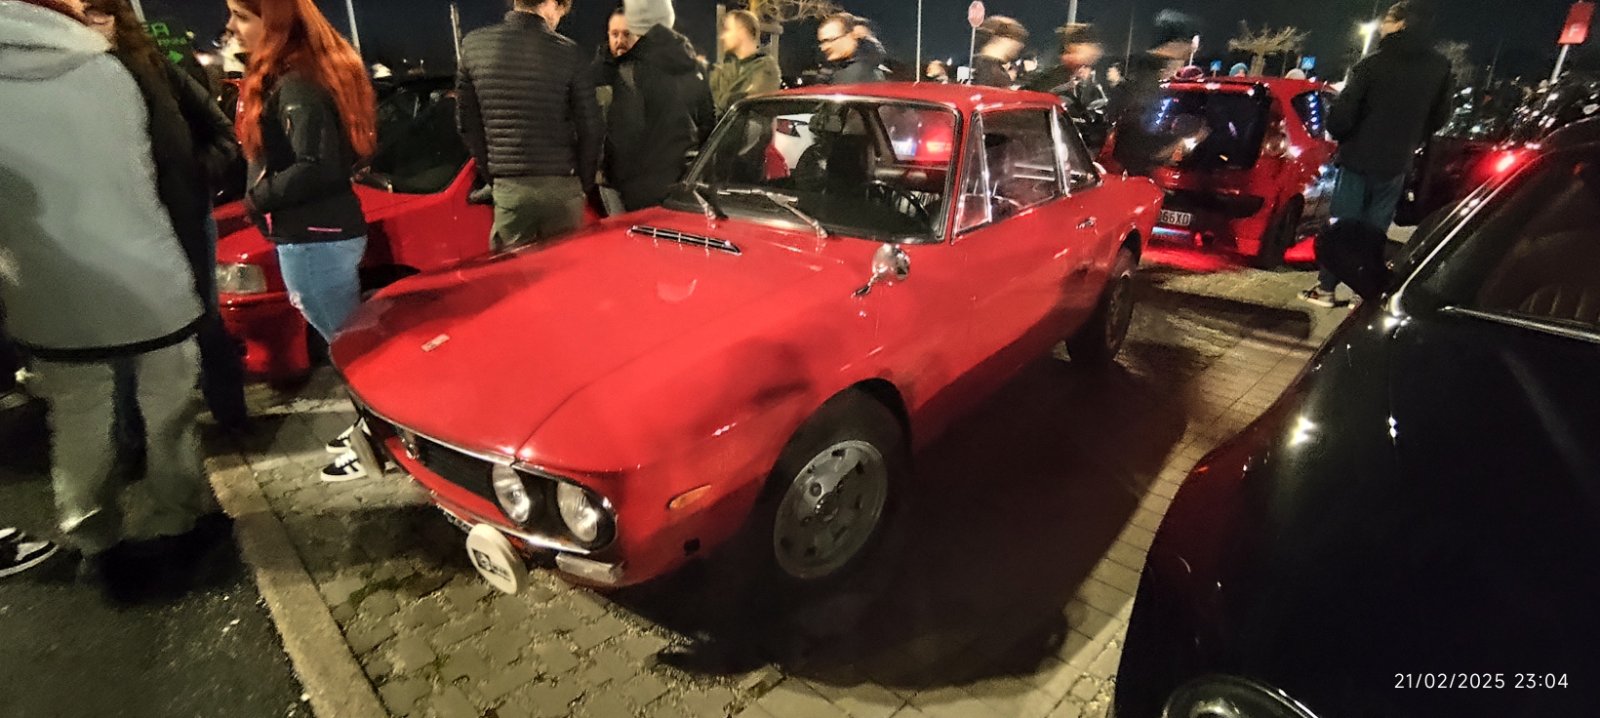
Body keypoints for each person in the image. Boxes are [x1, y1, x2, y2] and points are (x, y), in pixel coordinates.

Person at [1, 0, 216, 591]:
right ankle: (177, 520)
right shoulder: (107, 70)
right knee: (169, 407)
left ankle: (93, 534)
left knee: (77, 418)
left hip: (45, 287)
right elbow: (159, 170)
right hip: (146, 270)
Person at [226, 0, 378, 481]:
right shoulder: (298, 77)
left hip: (315, 238)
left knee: (352, 351)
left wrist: (257, 199)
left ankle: (379, 439)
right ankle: (372, 428)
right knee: (347, 343)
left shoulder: (296, 84)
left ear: (273, 21)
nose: (231, 27)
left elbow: (315, 165)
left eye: (241, 16)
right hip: (316, 235)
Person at [83, 0, 249, 433]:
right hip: (110, 234)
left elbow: (220, 132)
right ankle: (132, 439)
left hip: (183, 220)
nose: (91, 23)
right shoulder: (63, 83)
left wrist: (193, 176)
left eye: (99, 11)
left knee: (204, 320)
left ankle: (231, 416)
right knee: (124, 338)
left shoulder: (153, 66)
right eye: (81, 13)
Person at [1304, 1, 1450, 308]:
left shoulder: (1371, 65)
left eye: (1388, 20)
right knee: (1375, 231)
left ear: (1401, 24)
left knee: (1342, 226)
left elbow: (1341, 118)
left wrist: (1342, 132)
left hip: (1357, 158)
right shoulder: (1439, 68)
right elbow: (1440, 117)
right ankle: (1365, 292)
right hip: (1397, 162)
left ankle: (1326, 288)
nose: (1383, 26)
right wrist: (1411, 137)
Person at [457, 0, 601, 250]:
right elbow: (592, 127)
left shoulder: (474, 46)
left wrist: (495, 175)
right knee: (566, 265)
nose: (558, 20)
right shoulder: (569, 53)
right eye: (560, 12)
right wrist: (582, 182)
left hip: (510, 188)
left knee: (515, 269)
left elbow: (468, 124)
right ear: (550, 4)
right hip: (562, 188)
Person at [597, 0, 715, 211]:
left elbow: (625, 135)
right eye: (614, 34)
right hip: (685, 185)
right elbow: (708, 123)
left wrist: (610, 176)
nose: (620, 40)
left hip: (639, 189)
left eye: (627, 33)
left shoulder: (630, 70)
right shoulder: (693, 67)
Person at [1105, 9, 1203, 176]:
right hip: (1136, 173)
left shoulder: (1143, 71)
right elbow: (1141, 139)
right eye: (1189, 42)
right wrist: (1177, 144)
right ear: (1176, 43)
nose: (1192, 49)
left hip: (1131, 168)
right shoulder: (1148, 79)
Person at [709, 9, 780, 115]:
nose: (722, 37)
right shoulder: (722, 69)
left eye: (727, 30)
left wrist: (726, 101)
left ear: (742, 32)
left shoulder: (766, 67)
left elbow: (751, 104)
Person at [816, 13, 883, 84]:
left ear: (853, 35)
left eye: (830, 40)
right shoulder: (871, 64)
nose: (824, 48)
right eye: (822, 42)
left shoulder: (855, 75)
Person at [971, 15, 1028, 88]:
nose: (1019, 46)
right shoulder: (992, 71)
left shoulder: (994, 69)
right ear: (1001, 39)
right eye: (1016, 39)